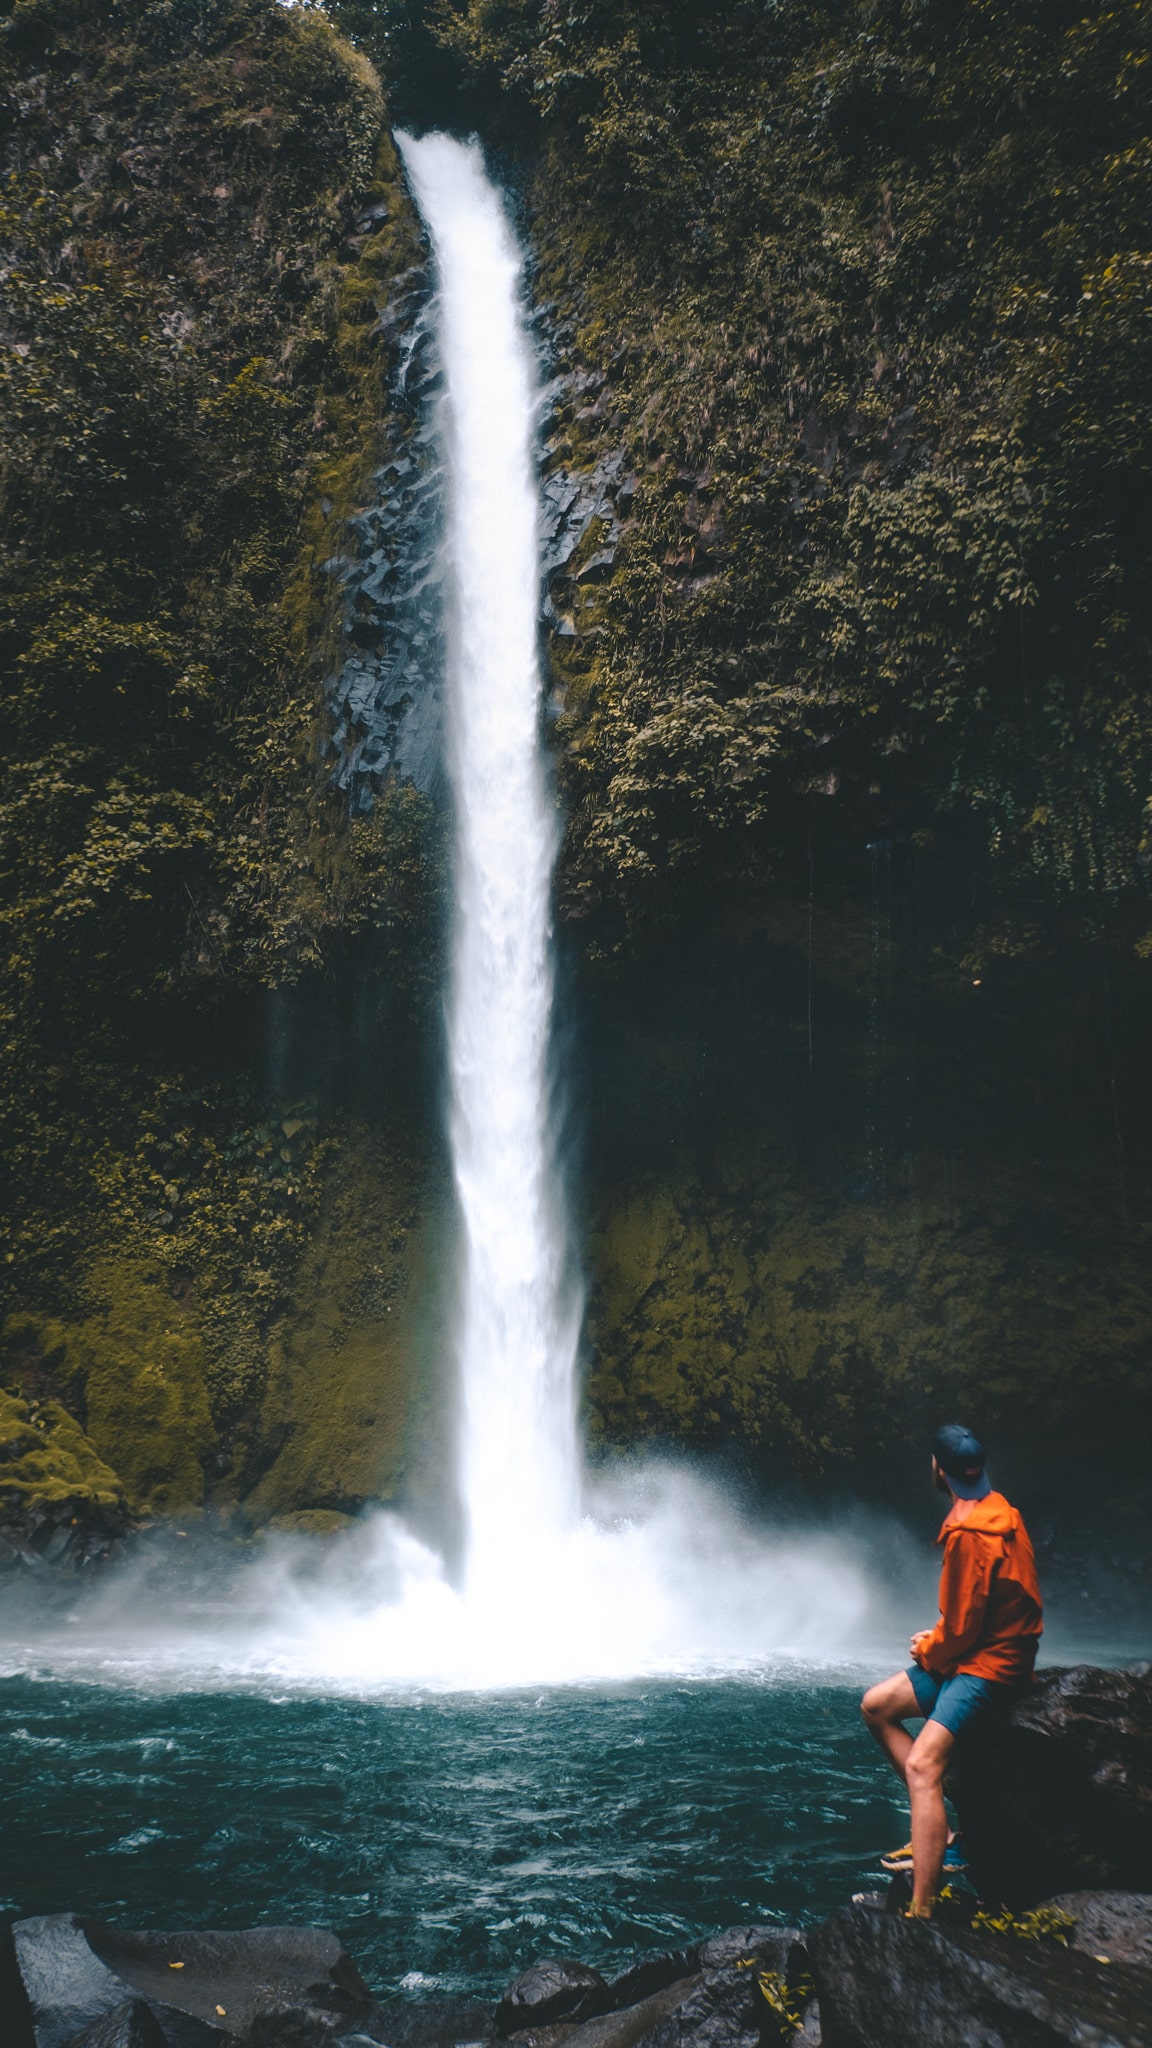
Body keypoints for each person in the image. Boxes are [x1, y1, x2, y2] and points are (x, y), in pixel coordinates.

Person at [861, 1424, 1043, 1919]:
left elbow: (963, 1631)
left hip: (987, 1666)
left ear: (938, 1469)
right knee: (877, 1706)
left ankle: (921, 1910)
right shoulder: (997, 1509)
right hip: (978, 1650)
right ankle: (937, 1830)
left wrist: (930, 1647)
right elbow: (982, 1610)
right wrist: (942, 1637)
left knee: (923, 1767)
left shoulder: (969, 1534)